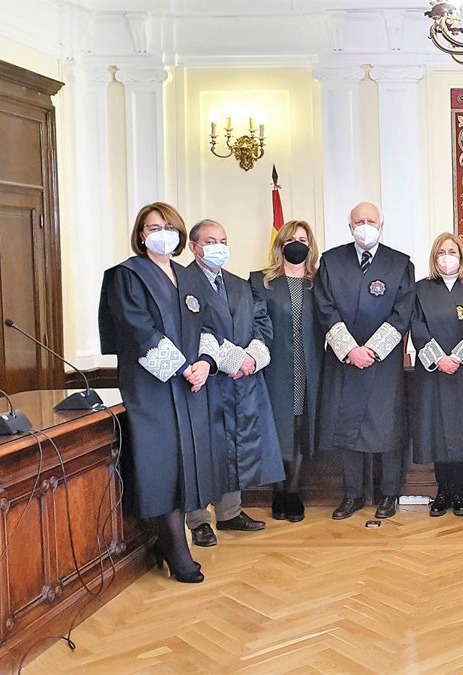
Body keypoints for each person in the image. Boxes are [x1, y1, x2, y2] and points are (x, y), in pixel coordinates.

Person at [99, 202, 222, 583]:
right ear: (141, 234)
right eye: (154, 228)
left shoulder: (187, 276)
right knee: (163, 464)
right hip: (152, 387)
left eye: (169, 227)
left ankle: (167, 541)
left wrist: (205, 362)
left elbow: (208, 326)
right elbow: (137, 330)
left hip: (190, 386)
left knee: (187, 463)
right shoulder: (128, 275)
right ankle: (174, 547)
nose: (162, 234)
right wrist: (183, 367)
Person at [181, 219, 284, 546]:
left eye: (223, 240)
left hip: (242, 382)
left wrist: (251, 358)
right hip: (204, 380)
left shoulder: (240, 284)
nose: (219, 247)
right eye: (211, 241)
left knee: (235, 445)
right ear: (194, 247)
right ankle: (199, 520)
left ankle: (230, 512)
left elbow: (262, 323)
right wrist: (232, 360)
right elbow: (191, 331)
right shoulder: (182, 282)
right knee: (203, 449)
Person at [315, 202, 415, 521]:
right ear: (350, 226)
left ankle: (389, 494)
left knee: (387, 428)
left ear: (381, 225)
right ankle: (352, 495)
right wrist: (350, 350)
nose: (365, 226)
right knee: (348, 429)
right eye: (359, 221)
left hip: (383, 362)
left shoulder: (400, 263)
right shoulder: (331, 261)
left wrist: (371, 350)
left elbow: (402, 314)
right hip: (345, 359)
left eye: (371, 221)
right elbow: (325, 309)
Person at [250, 220, 323, 523]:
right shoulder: (261, 282)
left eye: (303, 240)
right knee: (276, 427)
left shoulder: (319, 283)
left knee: (300, 427)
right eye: (291, 239)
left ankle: (293, 492)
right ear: (280, 245)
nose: (297, 244)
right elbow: (253, 324)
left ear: (310, 245)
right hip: (275, 366)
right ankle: (278, 492)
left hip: (310, 366)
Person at [412, 233, 463, 517]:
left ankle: (461, 493)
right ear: (434, 257)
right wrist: (439, 359)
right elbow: (416, 325)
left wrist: (459, 357)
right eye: (441, 252)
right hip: (433, 372)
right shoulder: (421, 289)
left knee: (462, 431)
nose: (447, 257)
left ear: (462, 256)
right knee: (437, 433)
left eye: (452, 252)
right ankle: (442, 492)